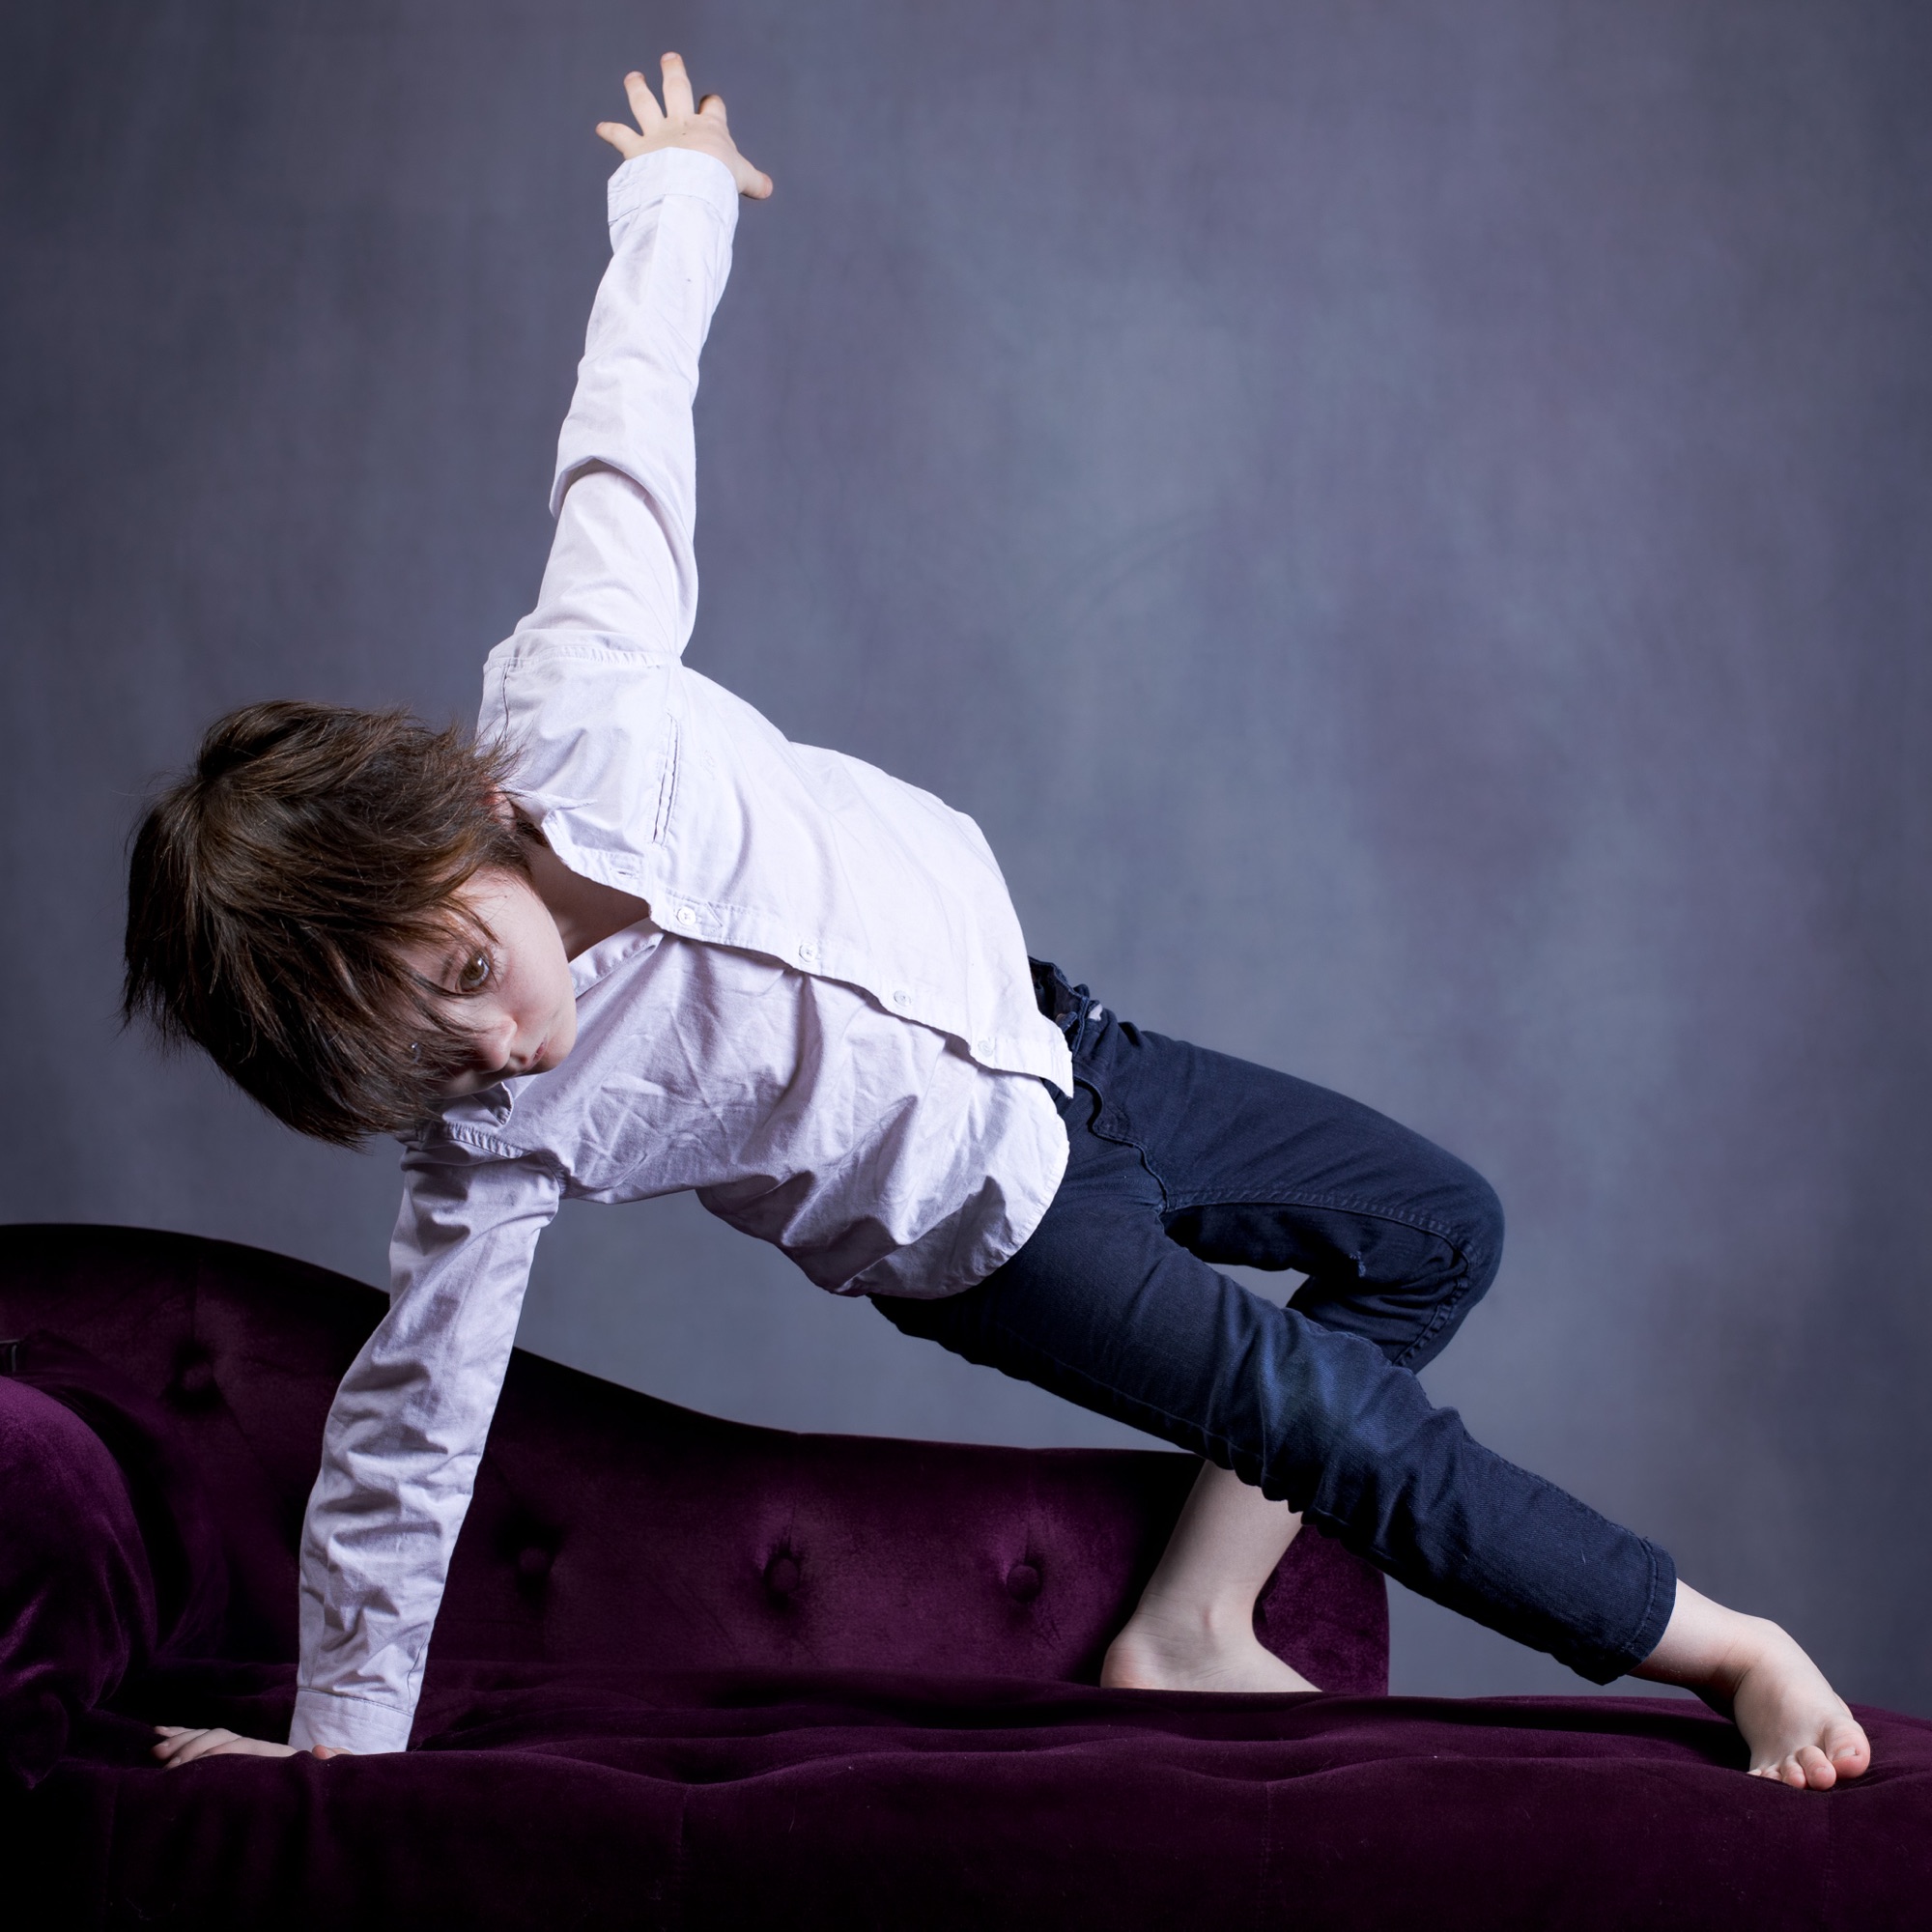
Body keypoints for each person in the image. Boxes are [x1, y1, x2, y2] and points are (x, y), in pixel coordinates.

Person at [128, 57, 1869, 1792]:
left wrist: (672, 190)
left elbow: (626, 435)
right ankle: (1726, 1650)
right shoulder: (493, 1142)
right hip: (1004, 1235)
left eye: (466, 979)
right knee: (1339, 1431)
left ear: (472, 818)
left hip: (1068, 1044)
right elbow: (407, 1432)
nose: (498, 1050)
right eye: (430, 1067)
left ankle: (1189, 1628)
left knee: (1435, 1231)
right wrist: (330, 1749)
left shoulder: (578, 699)